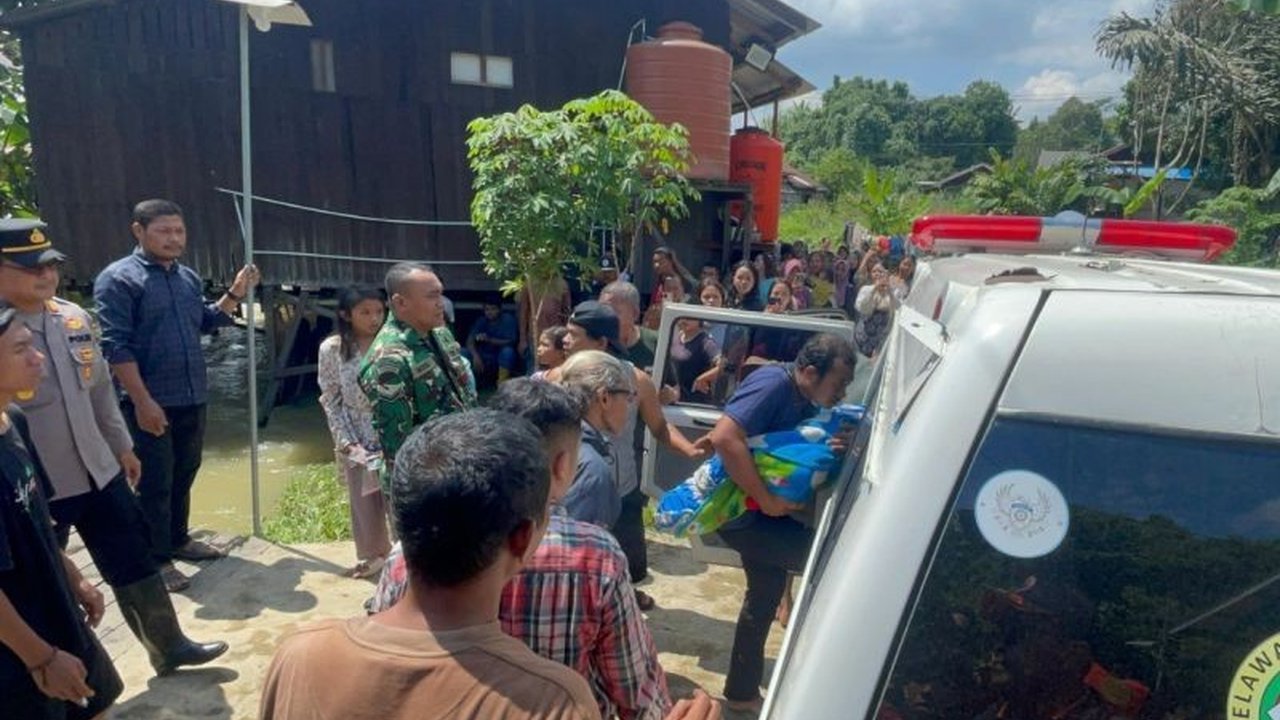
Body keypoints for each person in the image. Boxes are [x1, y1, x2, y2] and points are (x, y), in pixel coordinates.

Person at [370, 379, 676, 720]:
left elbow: (386, 656)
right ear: (562, 466)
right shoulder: (598, 557)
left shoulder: (412, 550)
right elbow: (637, 694)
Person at [2, 221, 228, 676]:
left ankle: (168, 645)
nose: (46, 275)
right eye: (31, 268)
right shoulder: (6, 335)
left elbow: (101, 391)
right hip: (38, 484)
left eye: (50, 265)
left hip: (97, 469)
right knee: (45, 582)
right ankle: (52, 671)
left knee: (134, 558)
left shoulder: (71, 317)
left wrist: (122, 446)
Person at [94, 199, 260, 589]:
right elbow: (116, 346)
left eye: (179, 231)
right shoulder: (118, 279)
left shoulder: (186, 277)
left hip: (191, 393)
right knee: (154, 481)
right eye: (164, 231)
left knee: (186, 469)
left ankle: (178, 539)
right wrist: (142, 401)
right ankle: (155, 559)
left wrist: (236, 292)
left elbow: (205, 320)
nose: (174, 239)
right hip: (149, 399)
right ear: (139, 231)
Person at [708, 333, 857, 713]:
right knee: (832, 565)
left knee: (765, 594)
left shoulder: (804, 397)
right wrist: (767, 499)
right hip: (742, 513)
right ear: (809, 372)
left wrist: (830, 445)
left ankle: (741, 693)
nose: (842, 393)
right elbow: (724, 437)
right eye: (839, 383)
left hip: (758, 513)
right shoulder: (774, 384)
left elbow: (786, 445)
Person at [0, 299, 124, 719]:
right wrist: (41, 658)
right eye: (21, 350)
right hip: (18, 644)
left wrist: (73, 577)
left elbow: (36, 522)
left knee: (97, 703)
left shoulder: (14, 420)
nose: (38, 358)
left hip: (56, 611)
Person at [557, 302, 707, 609]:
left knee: (626, 559)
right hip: (577, 486)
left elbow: (659, 426)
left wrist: (690, 449)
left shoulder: (635, 380)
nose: (565, 341)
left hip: (623, 488)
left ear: (601, 342)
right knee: (580, 557)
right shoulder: (560, 378)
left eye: (574, 335)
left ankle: (624, 597)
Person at [358, 262, 477, 489]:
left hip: (461, 466)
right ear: (400, 303)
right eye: (432, 296)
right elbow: (398, 447)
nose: (441, 303)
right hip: (428, 484)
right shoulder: (389, 362)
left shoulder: (439, 334)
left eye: (440, 294)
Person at [318, 286, 392, 579]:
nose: (374, 319)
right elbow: (330, 398)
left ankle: (406, 559)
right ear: (346, 315)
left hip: (392, 427)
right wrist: (346, 442)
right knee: (364, 501)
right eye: (365, 312)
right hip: (354, 429)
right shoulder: (333, 349)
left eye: (379, 311)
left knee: (398, 496)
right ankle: (375, 555)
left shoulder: (392, 342)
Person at [557, 351, 634, 528]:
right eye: (628, 397)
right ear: (604, 398)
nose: (629, 406)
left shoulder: (556, 438)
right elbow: (578, 541)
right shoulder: (593, 470)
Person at [518, 274, 572, 374]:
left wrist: (567, 336)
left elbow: (566, 312)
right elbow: (523, 312)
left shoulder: (562, 284)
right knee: (534, 368)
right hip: (535, 334)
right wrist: (523, 339)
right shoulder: (530, 283)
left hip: (556, 335)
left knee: (557, 367)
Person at [599, 281, 657, 374]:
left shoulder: (656, 342)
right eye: (602, 310)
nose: (606, 317)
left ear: (635, 314)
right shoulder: (593, 342)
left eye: (614, 311)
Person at [464, 295, 519, 387]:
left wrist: (489, 340)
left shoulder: (507, 319)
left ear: (499, 310)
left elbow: (511, 341)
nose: (490, 312)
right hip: (484, 356)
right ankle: (467, 384)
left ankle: (501, 384)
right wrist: (475, 356)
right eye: (487, 309)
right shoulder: (482, 320)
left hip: (500, 358)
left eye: (493, 309)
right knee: (463, 352)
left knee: (508, 352)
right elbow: (470, 341)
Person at [667, 317, 720, 406]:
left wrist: (702, 379)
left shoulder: (706, 343)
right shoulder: (674, 337)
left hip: (694, 404)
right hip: (672, 402)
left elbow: (723, 366)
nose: (685, 320)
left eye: (690, 317)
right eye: (683, 315)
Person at [854, 262, 900, 359]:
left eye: (880, 271)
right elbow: (862, 308)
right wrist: (875, 288)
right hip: (864, 336)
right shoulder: (866, 289)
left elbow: (898, 309)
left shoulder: (891, 292)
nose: (877, 274)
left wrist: (889, 290)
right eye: (874, 271)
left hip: (881, 338)